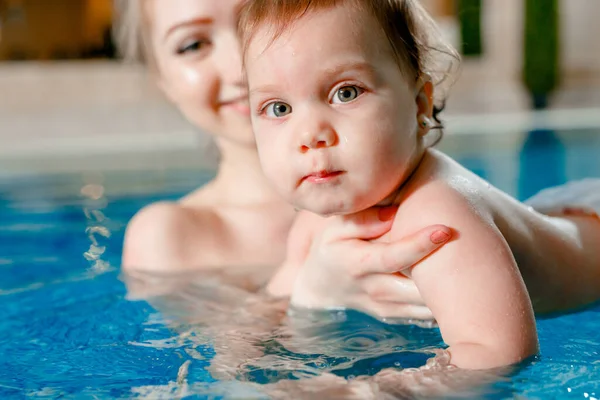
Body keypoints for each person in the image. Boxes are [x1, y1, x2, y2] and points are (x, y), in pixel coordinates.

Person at [238, 0, 600, 369]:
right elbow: (273, 310)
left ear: (419, 105)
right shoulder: (314, 220)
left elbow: (497, 354)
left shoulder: (439, 216)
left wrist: (366, 393)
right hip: (557, 216)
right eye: (278, 108)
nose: (310, 134)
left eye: (346, 92)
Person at [114, 0, 454, 318]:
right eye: (193, 45)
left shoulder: (420, 189)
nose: (240, 67)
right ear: (162, 80)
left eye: (257, 19)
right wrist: (313, 292)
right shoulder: (169, 236)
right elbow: (234, 370)